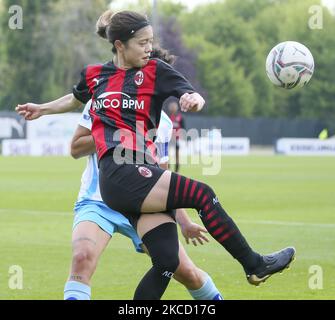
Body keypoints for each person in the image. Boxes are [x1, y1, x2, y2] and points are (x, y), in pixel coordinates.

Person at [16, 9, 295, 300]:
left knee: (167, 261)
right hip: (119, 172)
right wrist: (42, 109)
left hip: (140, 175)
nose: (149, 48)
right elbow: (74, 99)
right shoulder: (94, 75)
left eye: (151, 41)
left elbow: (193, 95)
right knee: (203, 194)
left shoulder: (157, 72)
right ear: (120, 45)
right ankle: (254, 264)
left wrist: (193, 100)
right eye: (142, 43)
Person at [65, 103, 223, 300]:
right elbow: (75, 149)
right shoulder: (99, 102)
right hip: (98, 202)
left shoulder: (162, 120)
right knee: (82, 257)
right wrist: (111, 131)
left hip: (142, 206)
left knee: (186, 272)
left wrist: (184, 221)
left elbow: (163, 177)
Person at [168, 99, 185, 173]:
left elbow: (183, 128)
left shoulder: (180, 117)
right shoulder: (168, 117)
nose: (173, 108)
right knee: (166, 156)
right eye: (172, 107)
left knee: (177, 155)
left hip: (177, 139)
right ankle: (167, 170)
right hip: (168, 139)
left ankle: (176, 171)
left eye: (174, 107)